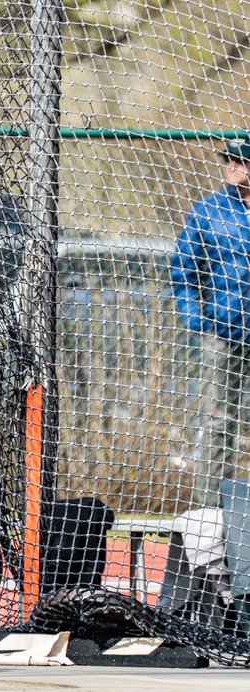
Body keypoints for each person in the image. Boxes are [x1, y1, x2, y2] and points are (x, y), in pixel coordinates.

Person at [170, 140, 250, 509]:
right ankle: (211, 509)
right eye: (230, 159)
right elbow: (183, 270)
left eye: (241, 159)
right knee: (218, 419)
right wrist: (196, 318)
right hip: (224, 330)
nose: (233, 165)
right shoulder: (209, 211)